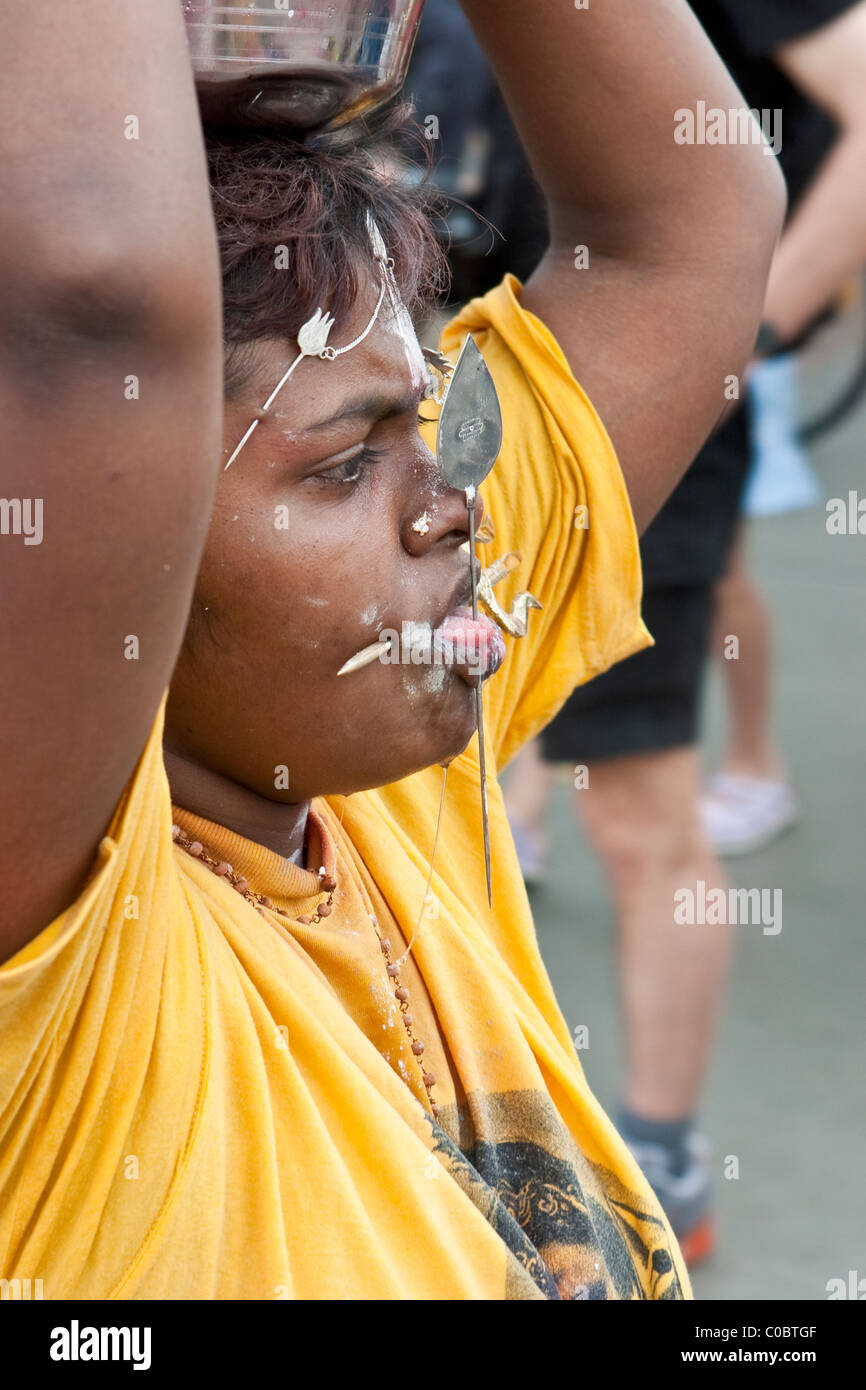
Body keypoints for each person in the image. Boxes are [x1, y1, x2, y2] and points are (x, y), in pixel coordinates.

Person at [0, 0, 784, 1299]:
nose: (450, 504)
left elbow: (691, 224)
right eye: (348, 463)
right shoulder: (77, 983)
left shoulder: (377, 770)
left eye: (427, 422)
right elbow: (93, 302)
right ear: (110, 534)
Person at [507, 0, 866, 1266]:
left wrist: (736, 332)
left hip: (626, 410)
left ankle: (654, 1156)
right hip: (445, 398)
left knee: (636, 803)